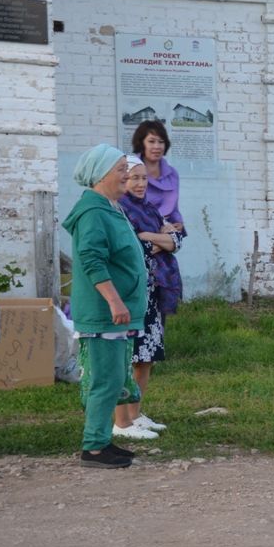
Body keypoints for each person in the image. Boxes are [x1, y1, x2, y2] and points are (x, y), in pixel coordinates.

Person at [62, 144, 147, 469]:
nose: (127, 174)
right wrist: (114, 300)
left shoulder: (109, 207)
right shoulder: (94, 212)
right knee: (105, 379)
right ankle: (94, 448)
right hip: (104, 313)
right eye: (121, 169)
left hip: (117, 312)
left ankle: (101, 442)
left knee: (113, 378)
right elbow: (92, 258)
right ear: (101, 175)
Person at [113, 155, 184, 439]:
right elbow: (133, 248)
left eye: (144, 178)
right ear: (123, 179)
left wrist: (149, 235)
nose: (141, 183)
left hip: (155, 292)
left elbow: (177, 241)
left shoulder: (150, 209)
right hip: (132, 293)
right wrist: (158, 238)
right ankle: (122, 422)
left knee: (147, 357)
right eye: (135, 178)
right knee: (131, 356)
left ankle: (136, 413)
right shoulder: (119, 210)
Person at [131, 120, 185, 234]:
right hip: (139, 233)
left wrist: (178, 223)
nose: (157, 146)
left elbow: (174, 208)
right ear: (141, 143)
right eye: (151, 141)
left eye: (161, 142)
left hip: (168, 233)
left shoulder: (173, 174)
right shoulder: (130, 170)